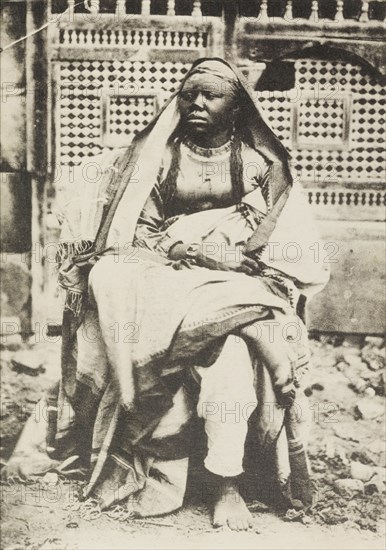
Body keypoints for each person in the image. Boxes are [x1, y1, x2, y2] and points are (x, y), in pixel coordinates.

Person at [5, 58, 330, 531]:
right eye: (189, 93)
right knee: (111, 274)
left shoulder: (260, 163)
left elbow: (276, 240)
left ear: (236, 107)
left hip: (237, 272)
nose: (197, 102)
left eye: (211, 95)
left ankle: (226, 483)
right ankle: (255, 326)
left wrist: (229, 254)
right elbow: (136, 229)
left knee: (227, 351)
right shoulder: (159, 156)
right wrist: (193, 251)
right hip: (172, 268)